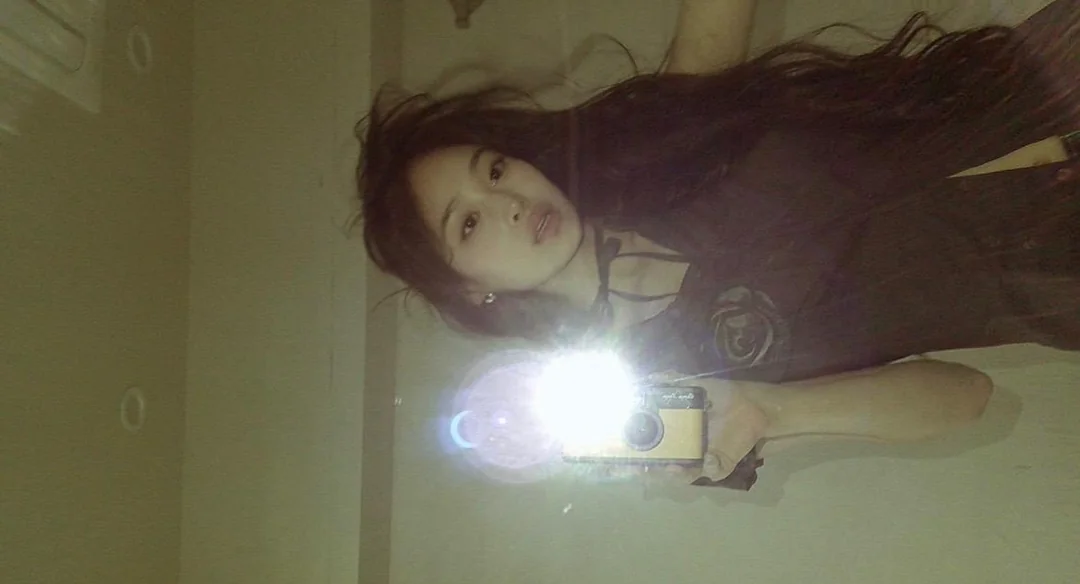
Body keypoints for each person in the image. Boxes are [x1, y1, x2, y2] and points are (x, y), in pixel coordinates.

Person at [355, 0, 1079, 489]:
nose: (508, 201)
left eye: (494, 170)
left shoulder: (659, 139)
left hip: (1045, 77)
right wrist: (773, 410)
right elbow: (964, 396)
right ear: (470, 289)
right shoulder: (676, 394)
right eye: (468, 223)